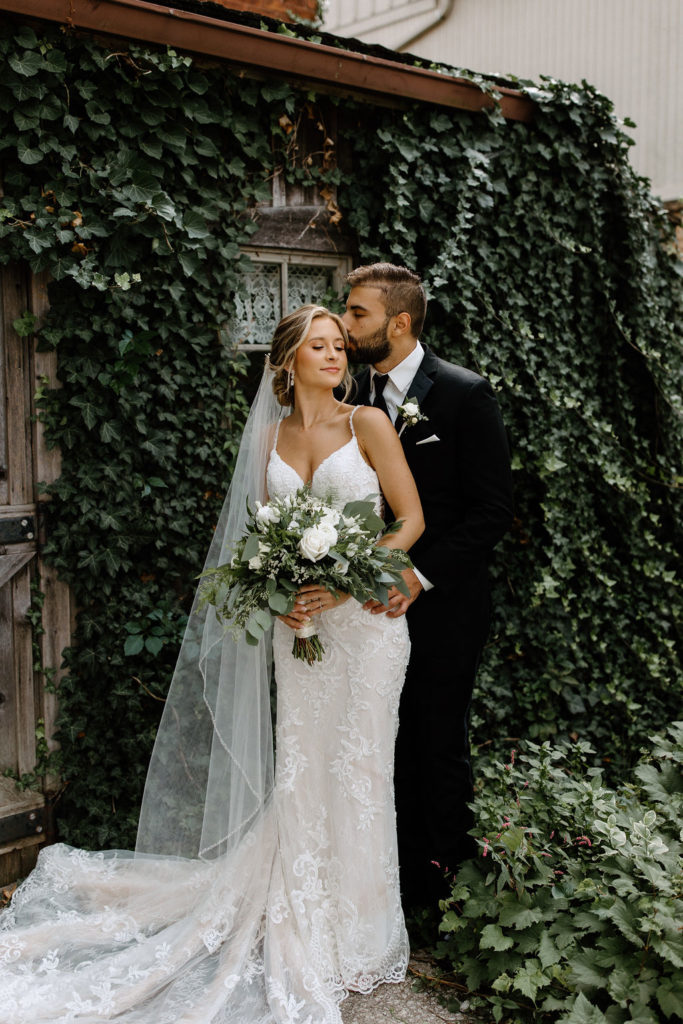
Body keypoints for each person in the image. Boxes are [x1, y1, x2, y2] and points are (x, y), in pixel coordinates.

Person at [0, 305, 424, 1024]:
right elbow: (257, 547)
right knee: (302, 769)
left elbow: (409, 520)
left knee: (360, 772)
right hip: (301, 635)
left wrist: (352, 579)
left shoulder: (368, 425)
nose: (333, 357)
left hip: (365, 631)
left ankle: (357, 932)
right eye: (317, 347)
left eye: (338, 346)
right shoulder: (264, 439)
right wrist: (284, 599)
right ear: (286, 363)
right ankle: (299, 909)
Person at [342, 264, 513, 912]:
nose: (347, 322)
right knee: (376, 742)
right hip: (363, 607)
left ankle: (447, 897)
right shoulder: (350, 395)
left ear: (400, 321)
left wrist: (416, 573)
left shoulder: (465, 395)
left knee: (436, 741)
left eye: (358, 313)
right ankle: (391, 891)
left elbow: (492, 511)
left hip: (445, 605)